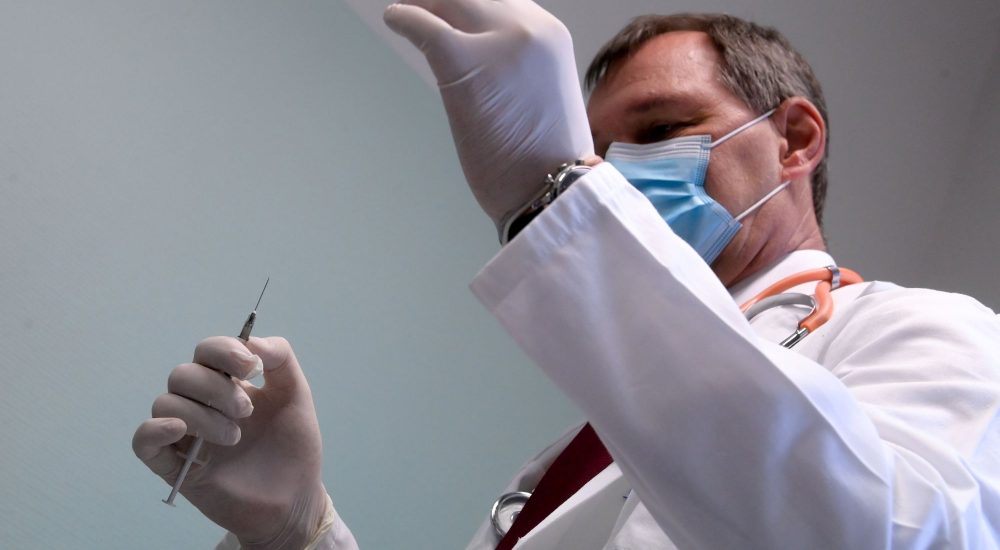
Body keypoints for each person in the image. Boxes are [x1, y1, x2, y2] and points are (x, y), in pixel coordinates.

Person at [133, 1, 1000, 548]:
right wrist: (298, 527)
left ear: (796, 140)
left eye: (661, 130)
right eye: (600, 157)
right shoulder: (585, 454)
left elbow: (882, 535)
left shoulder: (925, 333)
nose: (620, 177)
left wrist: (548, 198)